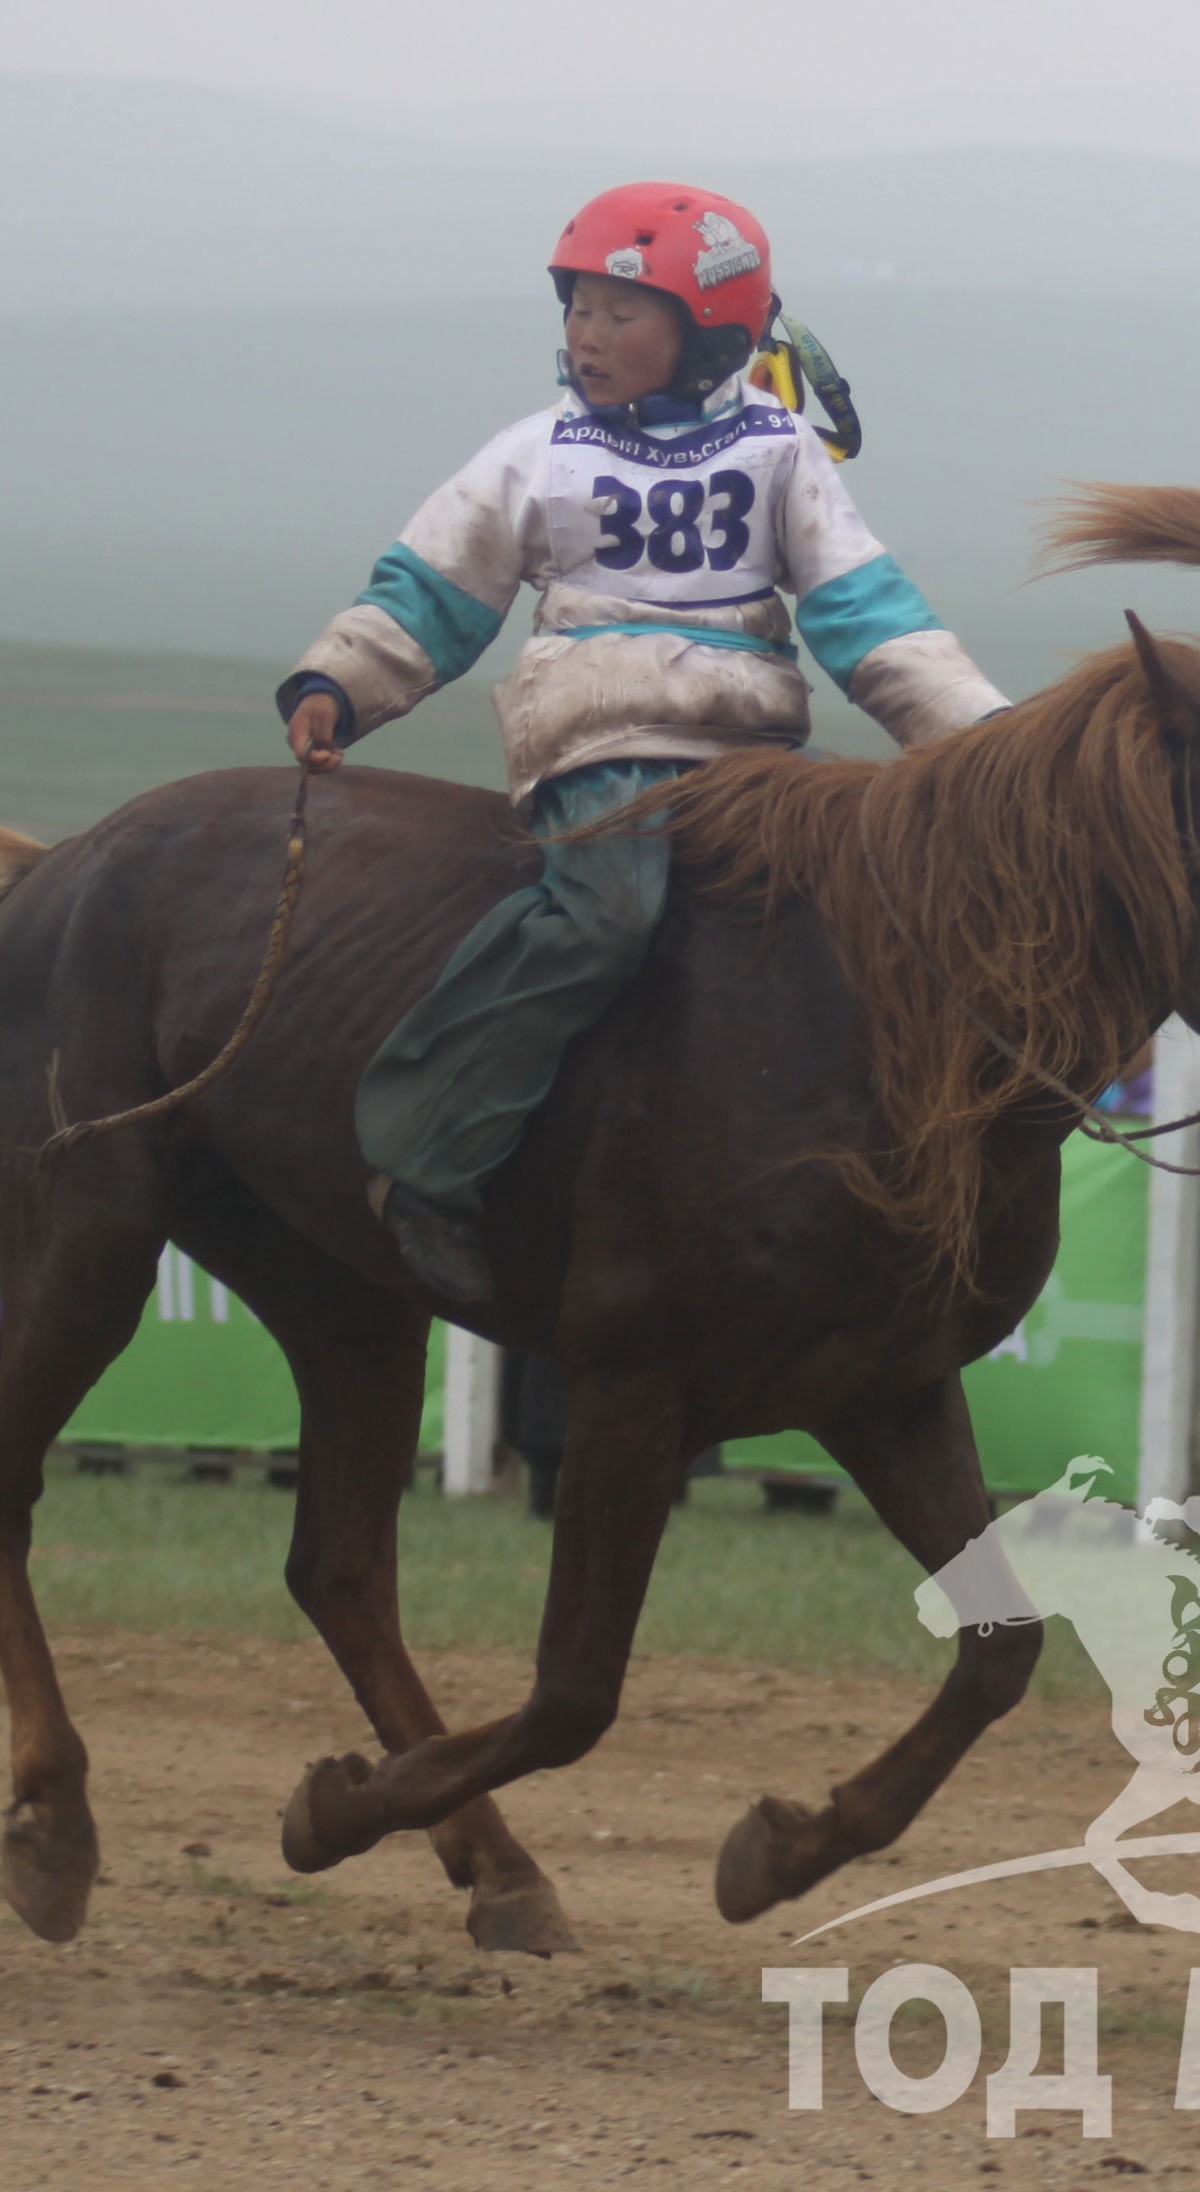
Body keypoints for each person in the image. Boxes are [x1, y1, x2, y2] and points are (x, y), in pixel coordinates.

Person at [278, 181, 1008, 1305]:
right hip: (600, 735)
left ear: (711, 333)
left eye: (623, 313)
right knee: (606, 916)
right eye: (580, 308)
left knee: (862, 909)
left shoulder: (780, 451)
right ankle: (427, 1153)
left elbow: (867, 611)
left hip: (754, 757)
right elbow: (436, 585)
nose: (588, 333)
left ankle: (855, 1168)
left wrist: (985, 739)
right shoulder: (540, 451)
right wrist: (341, 679)